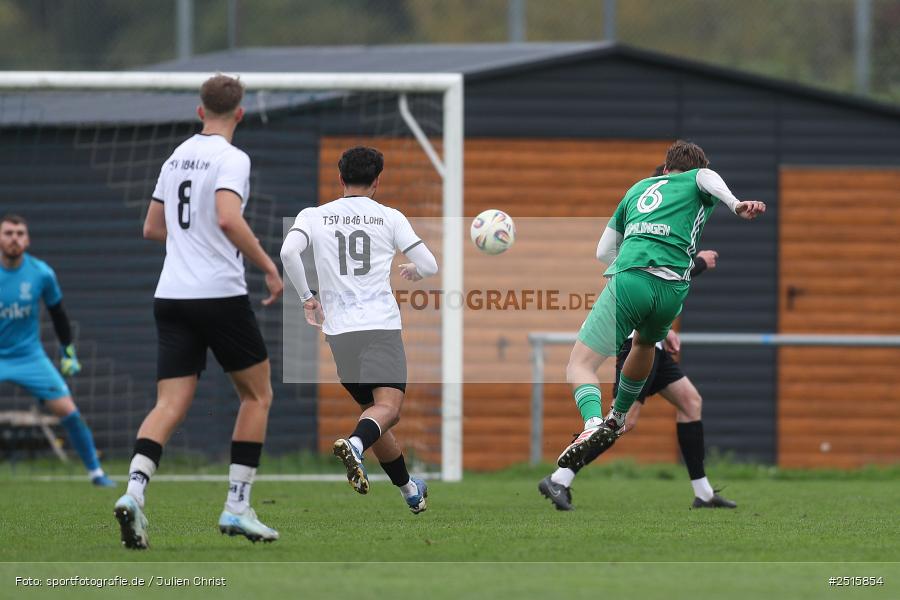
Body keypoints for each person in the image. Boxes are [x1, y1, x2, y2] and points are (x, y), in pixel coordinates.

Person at [113, 74, 284, 549]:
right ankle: (236, 505)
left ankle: (133, 493)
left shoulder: (176, 156)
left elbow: (152, 227)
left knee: (168, 404)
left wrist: (191, 244)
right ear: (241, 113)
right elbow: (228, 216)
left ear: (199, 110)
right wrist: (268, 266)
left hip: (171, 294)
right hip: (219, 294)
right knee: (257, 396)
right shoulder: (232, 158)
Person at [553, 141, 765, 484]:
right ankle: (618, 417)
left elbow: (603, 251)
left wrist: (631, 262)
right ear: (694, 168)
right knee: (645, 345)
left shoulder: (638, 189)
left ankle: (593, 423)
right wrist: (736, 205)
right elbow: (707, 177)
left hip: (632, 281)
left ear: (666, 169)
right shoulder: (699, 180)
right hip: (672, 290)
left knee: (579, 364)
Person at [280, 146, 437, 514]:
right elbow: (429, 263)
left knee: (374, 413)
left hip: (339, 333)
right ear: (377, 181)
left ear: (340, 179)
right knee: (389, 410)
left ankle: (410, 490)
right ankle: (353, 444)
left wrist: (307, 297)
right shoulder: (389, 217)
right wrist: (415, 272)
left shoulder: (314, 215)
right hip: (379, 326)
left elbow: (289, 253)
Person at [540, 232, 735, 509]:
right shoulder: (636, 250)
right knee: (624, 420)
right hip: (637, 345)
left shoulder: (645, 239)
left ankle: (703, 494)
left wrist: (664, 332)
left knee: (690, 402)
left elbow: (659, 288)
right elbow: (666, 275)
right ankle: (560, 478)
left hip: (652, 342)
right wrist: (699, 262)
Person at [0, 214, 114, 487]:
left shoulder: (41, 273)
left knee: (68, 410)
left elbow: (58, 314)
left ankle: (96, 473)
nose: (14, 238)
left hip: (29, 356)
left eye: (19, 233)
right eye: (8, 233)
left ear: (27, 240)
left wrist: (68, 352)